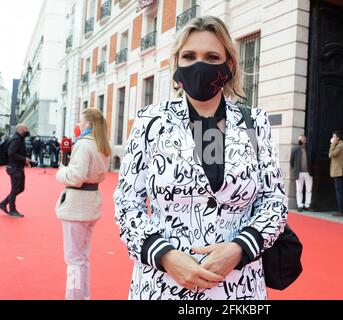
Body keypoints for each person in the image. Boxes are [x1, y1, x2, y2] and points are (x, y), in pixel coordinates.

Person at [113, 15, 288, 300]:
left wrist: (240, 248)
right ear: (177, 64)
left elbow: (274, 200)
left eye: (212, 56)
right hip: (163, 284)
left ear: (229, 65)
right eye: (189, 56)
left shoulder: (255, 123)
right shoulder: (150, 122)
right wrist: (165, 255)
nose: (199, 65)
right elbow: (126, 203)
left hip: (239, 286)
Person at [55, 109, 111, 300]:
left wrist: (61, 172)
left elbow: (76, 177)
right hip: (91, 203)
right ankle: (82, 296)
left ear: (87, 125)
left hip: (77, 205)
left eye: (80, 122)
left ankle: (74, 297)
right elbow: (101, 174)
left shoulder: (84, 145)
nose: (77, 125)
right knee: (82, 258)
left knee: (74, 259)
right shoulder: (102, 145)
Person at [0, 124, 32, 218]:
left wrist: (25, 161)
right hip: (14, 168)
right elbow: (11, 153)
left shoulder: (19, 138)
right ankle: (12, 210)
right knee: (15, 189)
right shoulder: (17, 139)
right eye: (26, 128)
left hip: (17, 167)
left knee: (21, 188)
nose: (27, 130)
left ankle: (3, 203)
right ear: (20, 129)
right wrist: (24, 159)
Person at [290, 135, 313, 211]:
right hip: (299, 173)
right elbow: (291, 162)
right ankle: (300, 205)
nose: (300, 141)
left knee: (308, 190)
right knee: (299, 190)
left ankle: (307, 205)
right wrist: (296, 169)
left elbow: (312, 161)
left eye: (302, 140)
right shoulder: (295, 150)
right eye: (299, 140)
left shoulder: (309, 150)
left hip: (308, 173)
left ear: (305, 141)